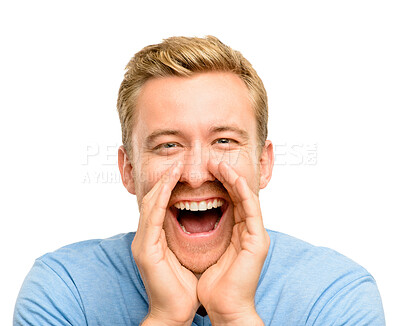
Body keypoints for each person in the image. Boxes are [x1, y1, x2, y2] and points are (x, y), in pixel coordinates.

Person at [13, 36, 385, 325]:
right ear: (128, 170)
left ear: (263, 163)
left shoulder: (338, 294)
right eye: (168, 145)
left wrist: (235, 317)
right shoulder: (63, 291)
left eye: (224, 141)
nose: (194, 175)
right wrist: (166, 318)